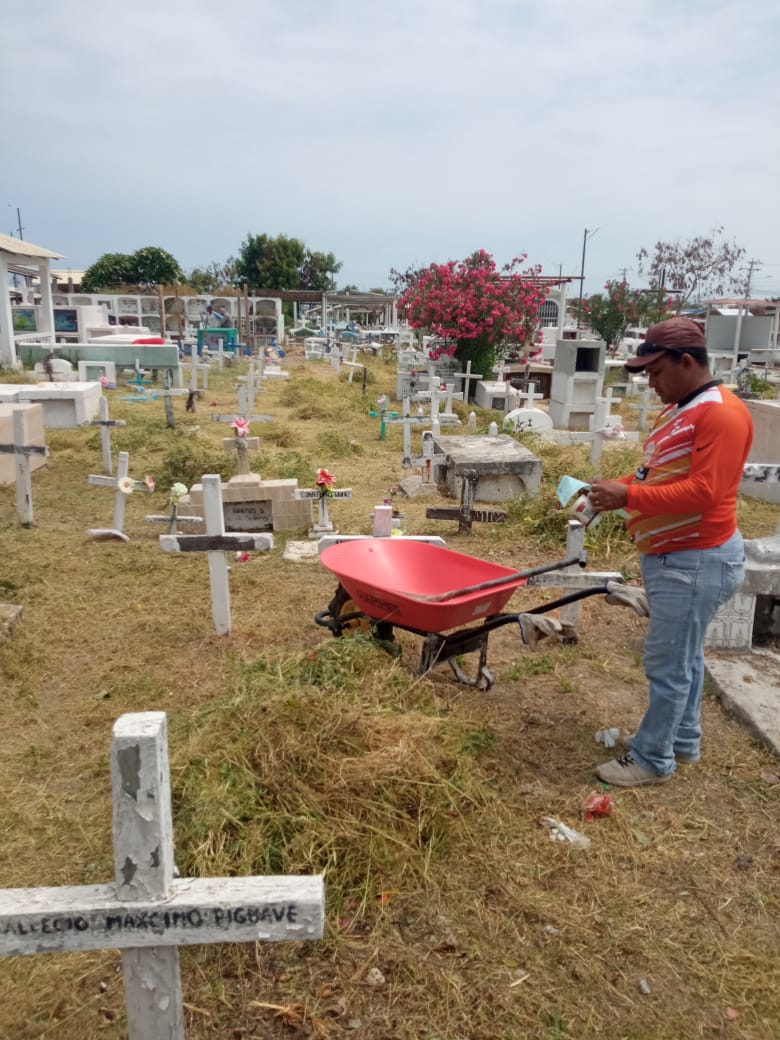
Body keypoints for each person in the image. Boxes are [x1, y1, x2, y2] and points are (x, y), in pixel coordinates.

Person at [588, 317, 753, 787]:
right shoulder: (682, 409)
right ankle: (681, 739)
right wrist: (615, 488)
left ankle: (652, 758)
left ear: (686, 362)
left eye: (656, 373)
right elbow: (653, 475)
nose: (652, 384)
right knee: (685, 657)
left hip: (695, 559)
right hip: (676, 558)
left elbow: (705, 492)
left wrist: (629, 497)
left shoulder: (720, 414)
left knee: (667, 663)